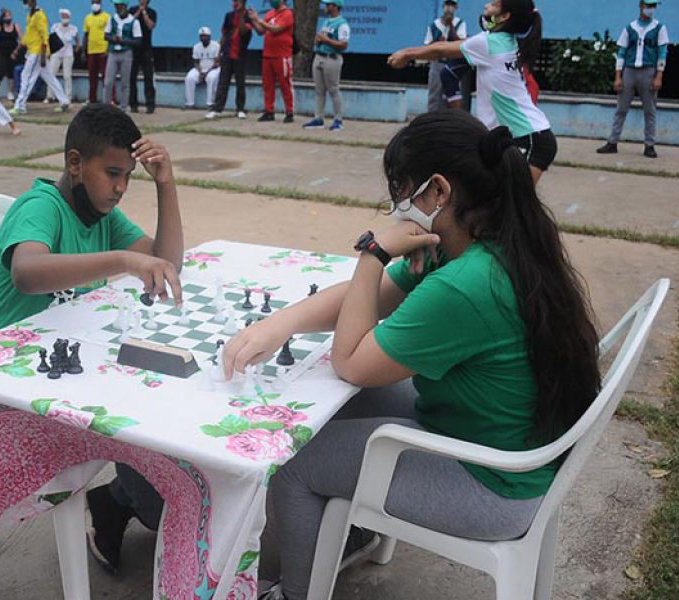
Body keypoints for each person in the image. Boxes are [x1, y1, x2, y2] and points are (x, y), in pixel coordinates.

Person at [223, 110, 602, 600]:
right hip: (497, 438)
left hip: (491, 485)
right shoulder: (486, 242)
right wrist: (282, 321)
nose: (397, 207)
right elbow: (376, 295)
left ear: (439, 191)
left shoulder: (465, 286)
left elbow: (352, 360)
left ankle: (296, 593)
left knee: (294, 460)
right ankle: (346, 528)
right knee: (339, 407)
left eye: (402, 192)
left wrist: (372, 253)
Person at [0, 104, 182, 575]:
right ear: (75, 164)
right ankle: (136, 500)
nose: (121, 187)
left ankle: (126, 499)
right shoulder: (41, 206)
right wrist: (122, 262)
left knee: (162, 393)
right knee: (150, 422)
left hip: (69, 366)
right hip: (14, 373)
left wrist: (165, 184)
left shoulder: (102, 214)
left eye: (129, 176)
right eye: (112, 173)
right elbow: (28, 273)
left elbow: (167, 263)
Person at [388, 0, 556, 184]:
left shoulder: (489, 43)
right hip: (516, 137)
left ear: (504, 16)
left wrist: (406, 53)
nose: (487, 4)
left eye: (494, 3)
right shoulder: (507, 41)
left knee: (514, 205)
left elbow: (440, 49)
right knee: (498, 200)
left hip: (530, 138)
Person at [596, 0, 669, 159]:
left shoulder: (659, 28)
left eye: (653, 6)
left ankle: (649, 145)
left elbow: (662, 53)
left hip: (649, 71)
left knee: (650, 110)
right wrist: (618, 76)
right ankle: (612, 142)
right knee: (621, 109)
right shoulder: (630, 28)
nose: (650, 9)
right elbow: (621, 52)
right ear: (641, 5)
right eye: (648, 6)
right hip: (629, 71)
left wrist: (659, 76)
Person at [10, 0, 70, 115]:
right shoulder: (31, 15)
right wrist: (18, 50)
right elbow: (28, 35)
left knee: (26, 77)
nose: (25, 3)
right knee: (49, 77)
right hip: (32, 50)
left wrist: (43, 55)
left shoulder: (40, 15)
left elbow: (44, 36)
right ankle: (64, 101)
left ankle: (20, 106)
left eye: (26, 1)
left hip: (37, 52)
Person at [302, 0, 350, 132]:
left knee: (333, 89)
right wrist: (317, 41)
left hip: (332, 58)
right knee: (319, 90)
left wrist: (326, 40)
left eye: (328, 5)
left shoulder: (342, 23)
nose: (326, 7)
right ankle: (318, 118)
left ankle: (338, 120)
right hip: (319, 56)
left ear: (335, 6)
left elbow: (344, 45)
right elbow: (320, 38)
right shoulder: (327, 21)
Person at [248, 0, 294, 123]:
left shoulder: (287, 14)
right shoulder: (270, 13)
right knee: (267, 85)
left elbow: (275, 29)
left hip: (282, 55)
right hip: (268, 54)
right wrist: (253, 19)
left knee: (285, 84)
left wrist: (259, 19)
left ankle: (289, 111)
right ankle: (269, 111)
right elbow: (260, 31)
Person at [205, 0, 252, 120]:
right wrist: (219, 52)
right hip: (227, 53)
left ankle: (240, 109)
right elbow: (224, 34)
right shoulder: (228, 16)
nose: (235, 3)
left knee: (240, 83)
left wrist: (241, 15)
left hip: (240, 54)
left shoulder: (248, 16)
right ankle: (217, 109)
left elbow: (243, 31)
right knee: (223, 82)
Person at [423, 0, 467, 111]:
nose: (449, 8)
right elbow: (428, 45)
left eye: (452, 5)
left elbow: (460, 43)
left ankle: (452, 121)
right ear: (443, 6)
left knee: (453, 95)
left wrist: (450, 24)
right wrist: (439, 43)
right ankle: (433, 120)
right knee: (435, 94)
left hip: (453, 64)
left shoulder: (460, 23)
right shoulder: (434, 25)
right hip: (438, 63)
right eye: (447, 5)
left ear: (456, 7)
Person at [103, 0, 141, 112]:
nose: (117, 8)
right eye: (116, 6)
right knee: (108, 81)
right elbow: (106, 35)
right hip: (113, 53)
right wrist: (113, 39)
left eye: (118, 6)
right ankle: (106, 106)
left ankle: (124, 107)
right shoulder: (112, 19)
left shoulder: (133, 21)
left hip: (126, 53)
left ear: (124, 6)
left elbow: (138, 41)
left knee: (125, 82)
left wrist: (124, 41)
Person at [0, 7, 22, 101]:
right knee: (0, 72)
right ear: (2, 18)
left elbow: (21, 39)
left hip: (13, 53)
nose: (8, 17)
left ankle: (10, 92)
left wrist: (17, 50)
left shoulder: (16, 26)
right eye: (6, 16)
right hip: (1, 52)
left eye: (9, 15)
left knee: (11, 73)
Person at [45, 8, 79, 103]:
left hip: (68, 54)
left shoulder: (73, 28)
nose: (64, 17)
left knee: (67, 76)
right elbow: (50, 40)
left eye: (66, 16)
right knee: (51, 74)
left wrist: (77, 49)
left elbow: (77, 41)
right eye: (62, 16)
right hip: (56, 53)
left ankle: (68, 97)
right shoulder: (55, 27)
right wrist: (48, 52)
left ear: (69, 17)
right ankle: (50, 96)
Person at [128, 0, 156, 113]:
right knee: (132, 78)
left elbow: (150, 26)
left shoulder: (152, 12)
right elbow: (129, 24)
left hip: (146, 49)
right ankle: (133, 104)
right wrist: (138, 12)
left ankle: (150, 105)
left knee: (148, 77)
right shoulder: (132, 10)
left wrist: (144, 13)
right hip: (134, 49)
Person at [184, 27, 220, 110]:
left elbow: (217, 62)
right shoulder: (196, 46)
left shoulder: (216, 45)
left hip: (213, 69)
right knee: (189, 78)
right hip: (201, 69)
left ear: (209, 36)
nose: (203, 38)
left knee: (211, 78)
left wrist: (206, 73)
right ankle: (190, 103)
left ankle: (210, 104)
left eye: (205, 36)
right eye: (202, 36)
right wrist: (200, 73)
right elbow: (196, 62)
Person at [81, 0, 109, 104]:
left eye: (97, 2)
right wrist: (84, 51)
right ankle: (92, 99)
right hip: (91, 51)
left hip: (103, 50)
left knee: (106, 77)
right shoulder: (88, 18)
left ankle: (110, 99)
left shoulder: (106, 17)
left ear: (101, 4)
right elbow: (85, 35)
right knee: (92, 77)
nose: (95, 5)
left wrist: (108, 49)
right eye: (93, 3)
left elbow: (110, 33)